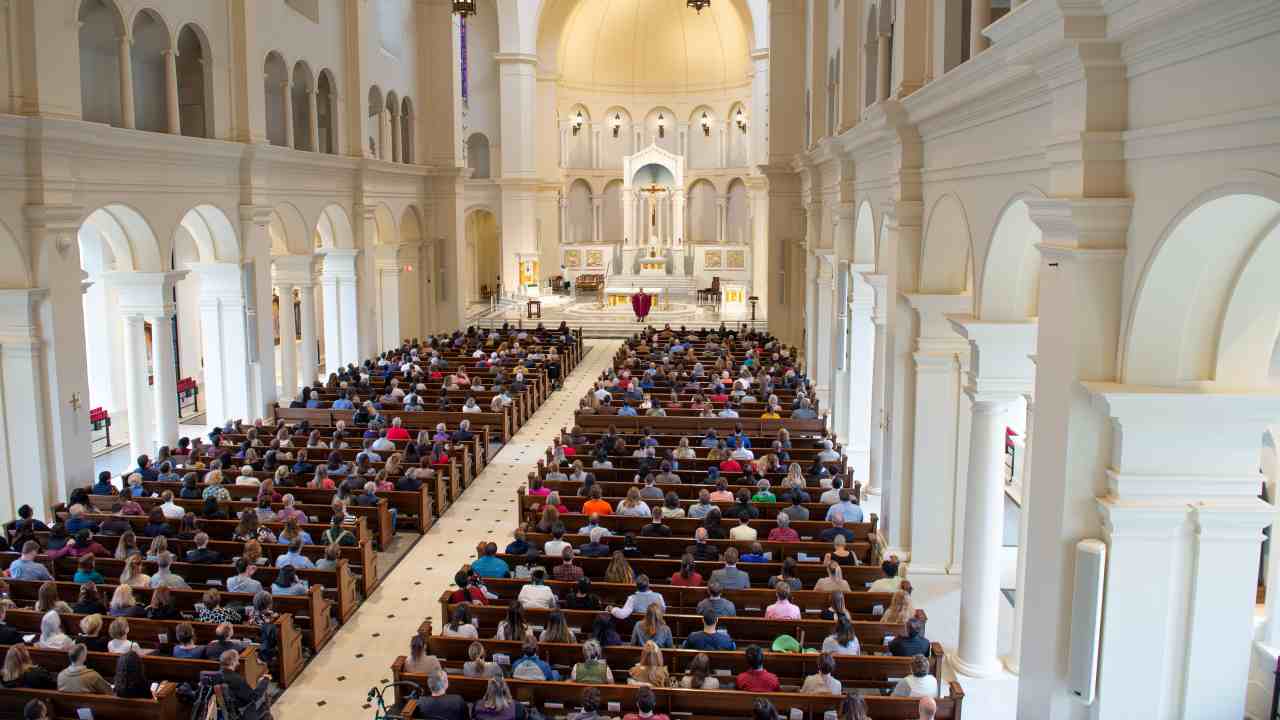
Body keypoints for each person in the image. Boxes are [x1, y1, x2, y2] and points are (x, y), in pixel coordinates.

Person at [219, 649, 273, 720]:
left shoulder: (216, 676)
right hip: (243, 712)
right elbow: (253, 697)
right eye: (237, 660)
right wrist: (265, 680)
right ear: (232, 663)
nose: (238, 663)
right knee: (266, 694)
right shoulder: (237, 679)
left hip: (228, 710)